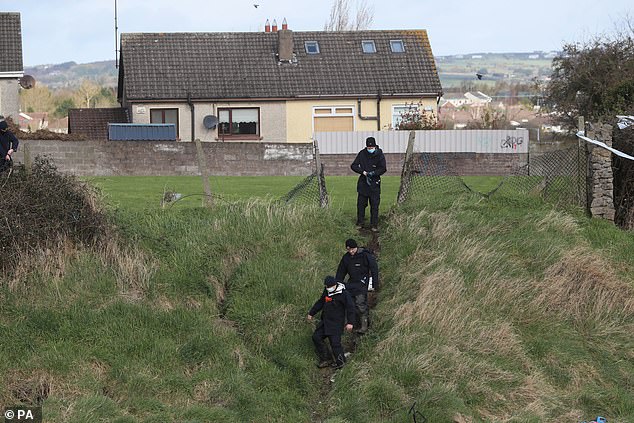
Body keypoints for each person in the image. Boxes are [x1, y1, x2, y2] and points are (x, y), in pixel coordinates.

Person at [307, 276, 355, 369]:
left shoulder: (344, 294)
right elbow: (321, 302)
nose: (328, 288)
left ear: (335, 285)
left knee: (335, 344)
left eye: (329, 286)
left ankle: (341, 363)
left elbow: (350, 308)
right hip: (325, 322)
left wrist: (350, 322)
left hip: (336, 323)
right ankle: (326, 358)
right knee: (316, 337)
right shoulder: (327, 291)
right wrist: (311, 313)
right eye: (326, 286)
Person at [335, 238, 379, 334]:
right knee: (349, 303)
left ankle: (364, 325)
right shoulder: (346, 258)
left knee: (360, 303)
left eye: (352, 249)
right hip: (351, 283)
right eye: (348, 250)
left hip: (362, 283)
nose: (351, 251)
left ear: (356, 247)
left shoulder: (365, 255)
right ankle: (349, 324)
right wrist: (337, 284)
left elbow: (374, 269)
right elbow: (340, 272)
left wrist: (375, 284)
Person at [351, 136, 386, 231]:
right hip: (363, 183)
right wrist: (363, 172)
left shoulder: (380, 155)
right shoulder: (362, 154)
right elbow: (353, 165)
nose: (370, 149)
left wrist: (374, 173)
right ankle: (360, 223)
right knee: (361, 205)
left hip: (374, 183)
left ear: (375, 146)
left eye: (371, 148)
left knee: (374, 205)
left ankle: (374, 225)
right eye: (368, 148)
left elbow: (383, 168)